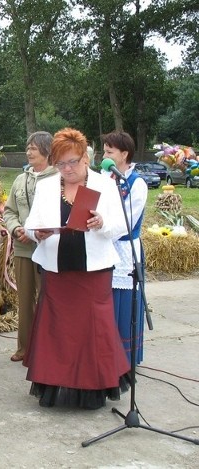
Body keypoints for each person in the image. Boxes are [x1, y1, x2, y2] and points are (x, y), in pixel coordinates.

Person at [22, 127, 130, 409]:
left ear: (86, 159)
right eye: (61, 163)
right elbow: (31, 225)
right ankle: (55, 384)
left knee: (93, 329)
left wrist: (102, 222)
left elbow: (121, 226)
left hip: (93, 271)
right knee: (57, 330)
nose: (67, 169)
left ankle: (92, 390)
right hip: (56, 270)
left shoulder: (104, 184)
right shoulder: (47, 186)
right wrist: (37, 234)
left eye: (72, 162)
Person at [3, 131, 57, 363]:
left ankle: (49, 348)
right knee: (25, 301)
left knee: (49, 299)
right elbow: (9, 210)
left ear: (46, 151)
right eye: (28, 148)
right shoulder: (20, 179)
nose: (28, 152)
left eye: (33, 148)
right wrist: (16, 229)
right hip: (24, 249)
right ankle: (24, 348)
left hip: (48, 249)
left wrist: (37, 233)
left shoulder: (58, 179)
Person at [101, 131, 147, 365]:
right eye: (104, 151)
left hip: (124, 250)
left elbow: (126, 221)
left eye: (109, 152)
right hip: (102, 246)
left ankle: (125, 359)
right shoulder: (103, 178)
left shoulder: (137, 184)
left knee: (123, 304)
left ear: (124, 154)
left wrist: (102, 228)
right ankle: (106, 357)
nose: (104, 155)